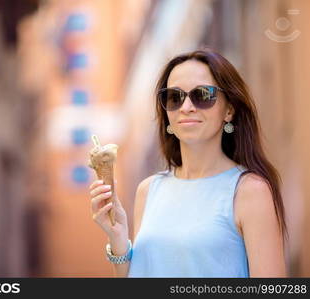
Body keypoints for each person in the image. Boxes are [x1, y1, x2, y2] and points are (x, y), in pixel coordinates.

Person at [88, 49, 287, 277]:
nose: (186, 107)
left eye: (202, 95)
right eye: (174, 97)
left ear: (229, 110)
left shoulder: (250, 191)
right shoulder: (149, 190)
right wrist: (118, 239)